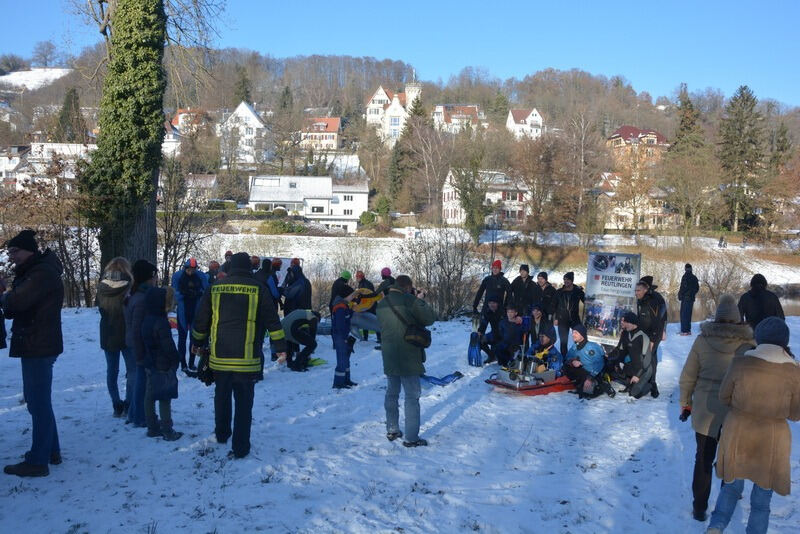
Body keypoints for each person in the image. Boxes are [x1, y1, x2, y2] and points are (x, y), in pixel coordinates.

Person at [706, 317, 800, 534]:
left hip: (738, 432)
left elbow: (723, 396)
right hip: (772, 439)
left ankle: (716, 527)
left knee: (730, 488)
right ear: (783, 341)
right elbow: (795, 414)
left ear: (759, 338)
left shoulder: (741, 363)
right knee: (761, 501)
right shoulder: (794, 371)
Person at [191, 252, 287, 459]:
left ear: (230, 267)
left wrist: (197, 343)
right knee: (244, 405)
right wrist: (280, 346)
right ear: (249, 268)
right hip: (247, 360)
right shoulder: (259, 289)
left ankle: (222, 433)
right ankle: (241, 447)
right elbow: (273, 322)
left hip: (220, 358)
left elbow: (201, 321)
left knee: (221, 397)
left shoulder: (214, 289)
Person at [678, 294, 754, 522]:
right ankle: (728, 499)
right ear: (737, 319)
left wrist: (685, 403)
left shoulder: (702, 340)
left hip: (705, 409)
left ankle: (700, 507)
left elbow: (688, 377)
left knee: (703, 458)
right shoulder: (748, 344)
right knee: (730, 457)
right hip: (734, 410)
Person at [1, 230, 64, 478]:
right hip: (38, 343)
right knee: (39, 401)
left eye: (15, 251)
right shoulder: (37, 271)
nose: (12, 256)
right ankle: (51, 451)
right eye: (9, 252)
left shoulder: (40, 273)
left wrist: (4, 295)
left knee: (37, 403)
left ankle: (38, 461)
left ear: (29, 250)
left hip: (38, 344)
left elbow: (15, 304)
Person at [377, 275, 436, 447]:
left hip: (389, 355)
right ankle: (411, 438)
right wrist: (420, 300)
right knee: (412, 396)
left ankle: (392, 429)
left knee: (392, 393)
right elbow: (429, 318)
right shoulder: (409, 300)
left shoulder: (381, 304)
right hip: (408, 355)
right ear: (408, 287)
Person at [140, 286, 183, 441]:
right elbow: (168, 345)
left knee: (150, 394)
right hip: (163, 363)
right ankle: (167, 429)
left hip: (150, 362)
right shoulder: (161, 322)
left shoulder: (146, 320)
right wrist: (175, 358)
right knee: (165, 396)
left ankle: (152, 426)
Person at [96, 257, 135, 418]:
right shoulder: (129, 286)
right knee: (132, 370)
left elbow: (99, 306)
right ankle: (128, 403)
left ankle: (116, 403)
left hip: (108, 331)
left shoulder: (101, 287)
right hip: (126, 331)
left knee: (112, 371)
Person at [124, 260, 158, 428]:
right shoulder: (142, 299)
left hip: (136, 342)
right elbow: (137, 328)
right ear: (147, 278)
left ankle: (133, 413)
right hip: (139, 344)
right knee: (142, 381)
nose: (155, 280)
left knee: (139, 378)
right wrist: (140, 351)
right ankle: (139, 416)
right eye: (153, 277)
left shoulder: (136, 295)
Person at [171, 258, 208, 373]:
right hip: (183, 310)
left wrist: (200, 294)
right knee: (182, 338)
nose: (191, 272)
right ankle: (183, 364)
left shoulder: (200, 276)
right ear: (185, 268)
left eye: (193, 269)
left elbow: (206, 289)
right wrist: (183, 294)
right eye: (189, 269)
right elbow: (174, 292)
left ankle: (191, 363)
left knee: (194, 338)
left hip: (195, 310)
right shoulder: (177, 276)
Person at [607, 311, 652, 399]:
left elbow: (647, 359)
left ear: (633, 323)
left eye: (626, 322)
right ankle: (630, 382)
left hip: (644, 369)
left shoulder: (643, 337)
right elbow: (622, 351)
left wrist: (637, 375)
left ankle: (650, 385)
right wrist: (617, 363)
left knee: (634, 393)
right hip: (632, 366)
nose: (624, 324)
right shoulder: (626, 334)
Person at [636, 276, 667, 397]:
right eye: (635, 290)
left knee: (650, 358)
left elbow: (659, 320)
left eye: (638, 290)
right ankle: (647, 380)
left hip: (654, 333)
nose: (636, 293)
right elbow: (641, 317)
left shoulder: (654, 300)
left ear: (646, 289)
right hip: (645, 332)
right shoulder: (642, 299)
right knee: (646, 357)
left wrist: (654, 339)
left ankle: (652, 384)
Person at [564, 324, 612, 398]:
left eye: (576, 333)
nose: (573, 335)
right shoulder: (574, 347)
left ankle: (602, 385)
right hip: (583, 373)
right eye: (573, 332)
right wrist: (572, 361)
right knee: (566, 367)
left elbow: (600, 364)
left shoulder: (592, 347)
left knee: (587, 394)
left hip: (594, 374)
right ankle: (580, 385)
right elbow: (567, 358)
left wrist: (590, 378)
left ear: (582, 334)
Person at [553, 272, 585, 357]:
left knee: (579, 339)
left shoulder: (578, 291)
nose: (566, 281)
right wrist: (556, 318)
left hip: (575, 318)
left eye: (568, 279)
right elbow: (554, 306)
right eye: (564, 279)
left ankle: (578, 357)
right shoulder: (559, 292)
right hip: (562, 319)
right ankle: (564, 359)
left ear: (572, 280)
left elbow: (586, 302)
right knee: (563, 341)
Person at [331, 292, 358, 388]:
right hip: (340, 336)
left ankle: (346, 380)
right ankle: (338, 383)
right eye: (351, 296)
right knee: (342, 360)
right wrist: (344, 338)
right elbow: (340, 325)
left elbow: (347, 318)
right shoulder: (340, 308)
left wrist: (352, 310)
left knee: (346, 359)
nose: (352, 298)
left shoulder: (344, 307)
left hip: (343, 336)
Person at [678, 263, 700, 336]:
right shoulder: (694, 277)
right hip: (691, 299)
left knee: (684, 314)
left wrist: (680, 295)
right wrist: (692, 294)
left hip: (685, 298)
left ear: (685, 268)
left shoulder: (685, 276)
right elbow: (697, 288)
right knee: (688, 314)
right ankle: (688, 330)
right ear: (691, 269)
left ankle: (684, 331)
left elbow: (683, 288)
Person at [355, 270, 376, 341]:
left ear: (360, 277)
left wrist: (358, 302)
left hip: (369, 305)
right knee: (371, 320)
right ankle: (366, 337)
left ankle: (376, 337)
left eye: (357, 277)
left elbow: (364, 295)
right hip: (369, 304)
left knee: (371, 320)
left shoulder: (364, 284)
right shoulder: (365, 283)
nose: (356, 278)